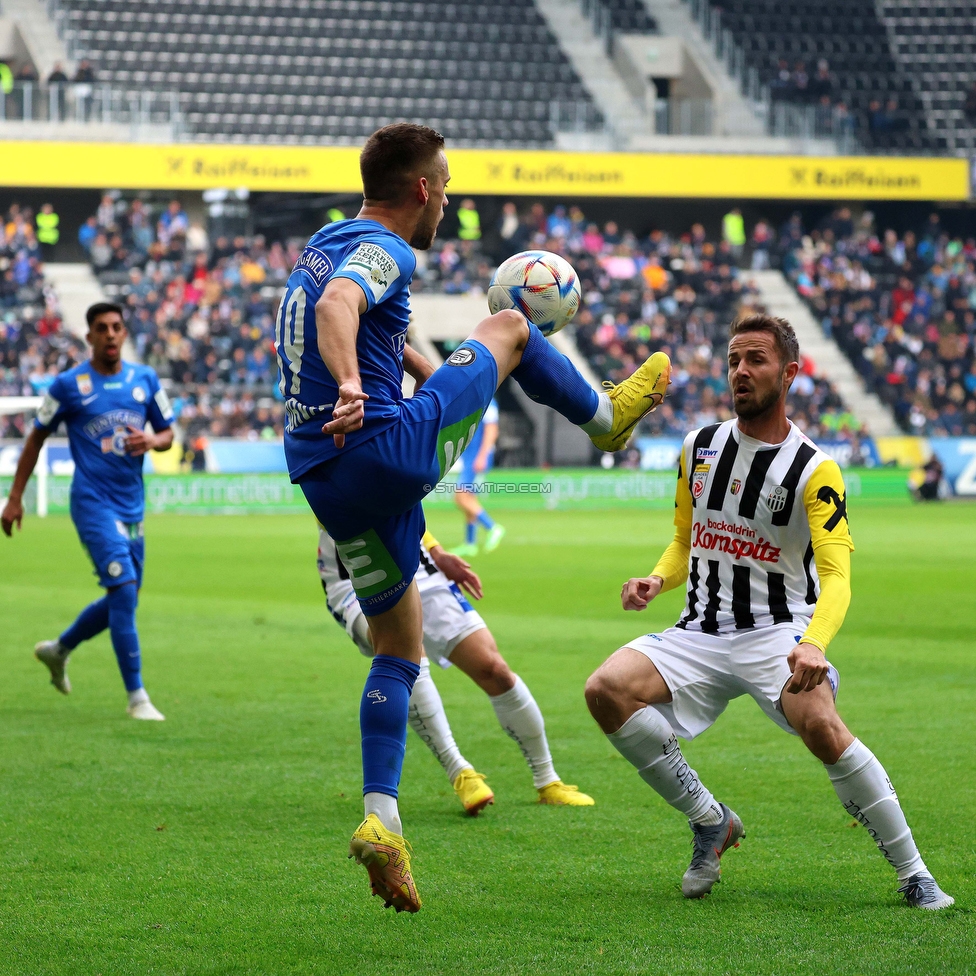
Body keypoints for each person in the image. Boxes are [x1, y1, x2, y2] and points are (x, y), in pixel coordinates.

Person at [277, 122, 670, 913]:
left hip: (324, 474)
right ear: (420, 188)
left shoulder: (325, 240)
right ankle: (606, 418)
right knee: (514, 326)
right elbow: (342, 305)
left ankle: (382, 822)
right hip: (378, 446)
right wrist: (356, 383)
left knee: (399, 649)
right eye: (446, 189)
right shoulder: (387, 251)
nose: (448, 205)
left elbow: (349, 315)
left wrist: (429, 376)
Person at [584, 313, 953, 911]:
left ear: (789, 373)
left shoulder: (815, 469)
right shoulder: (698, 447)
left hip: (778, 633)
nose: (740, 371)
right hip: (698, 630)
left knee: (823, 728)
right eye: (733, 360)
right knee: (605, 691)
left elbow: (836, 577)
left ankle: (915, 874)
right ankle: (710, 821)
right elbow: (687, 537)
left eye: (755, 359)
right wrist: (657, 578)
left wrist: (815, 642)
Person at [317, 522, 592, 813]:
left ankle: (548, 781)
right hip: (357, 569)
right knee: (405, 651)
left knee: (493, 668)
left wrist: (437, 550)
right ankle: (461, 773)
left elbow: (406, 498)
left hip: (417, 562)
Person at [1, 302, 174, 720]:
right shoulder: (67, 385)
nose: (111, 334)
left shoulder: (145, 379)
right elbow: (35, 438)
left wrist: (151, 442)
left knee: (124, 597)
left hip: (132, 504)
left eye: (117, 327)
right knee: (123, 589)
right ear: (89, 336)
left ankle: (59, 650)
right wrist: (15, 497)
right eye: (102, 328)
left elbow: (168, 433)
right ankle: (138, 698)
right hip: (91, 502)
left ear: (124, 333)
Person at [452, 396, 504, 556]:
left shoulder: (488, 401)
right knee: (469, 498)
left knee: (460, 497)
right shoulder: (472, 401)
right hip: (470, 456)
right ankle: (470, 543)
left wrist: (482, 456)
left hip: (478, 456)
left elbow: (492, 430)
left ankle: (493, 527)